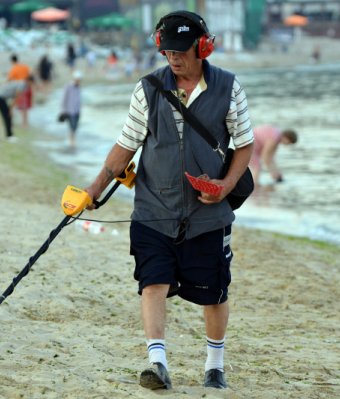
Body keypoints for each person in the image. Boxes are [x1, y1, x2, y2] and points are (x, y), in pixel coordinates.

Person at [82, 10, 254, 390]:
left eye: (181, 50)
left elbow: (244, 145)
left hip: (208, 215)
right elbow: (126, 143)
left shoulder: (228, 87)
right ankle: (157, 363)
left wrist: (225, 185)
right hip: (153, 210)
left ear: (202, 47)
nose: (173, 58)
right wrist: (93, 190)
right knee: (152, 281)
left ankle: (215, 366)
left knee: (214, 291)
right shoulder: (147, 88)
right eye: (167, 51)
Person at [0, 75, 33, 141]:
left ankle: (10, 135)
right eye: (31, 83)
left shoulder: (25, 86)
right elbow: (16, 97)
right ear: (28, 81)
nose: (32, 85)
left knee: (8, 116)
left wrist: (11, 108)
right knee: (7, 116)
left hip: (1, 96)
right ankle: (9, 136)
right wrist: (11, 109)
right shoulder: (22, 85)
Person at [7, 54, 32, 128]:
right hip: (27, 88)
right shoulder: (25, 66)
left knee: (20, 106)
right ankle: (25, 122)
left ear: (12, 61)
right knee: (25, 107)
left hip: (19, 89)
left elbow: (9, 80)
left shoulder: (13, 68)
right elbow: (31, 75)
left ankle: (23, 123)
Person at [61, 70, 82, 149]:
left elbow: (78, 99)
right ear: (74, 78)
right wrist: (63, 110)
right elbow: (64, 98)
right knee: (72, 126)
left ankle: (72, 140)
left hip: (77, 110)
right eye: (77, 79)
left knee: (75, 126)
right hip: (69, 110)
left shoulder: (79, 87)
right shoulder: (68, 86)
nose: (78, 81)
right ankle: (71, 141)